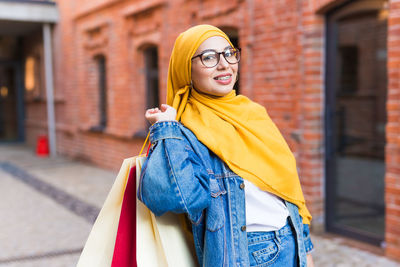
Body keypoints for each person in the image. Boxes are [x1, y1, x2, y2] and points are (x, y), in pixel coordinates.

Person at [137, 25, 314, 267]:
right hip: (244, 255)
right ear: (185, 69)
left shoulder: (253, 114)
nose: (224, 64)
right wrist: (166, 131)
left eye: (229, 53)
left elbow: (287, 192)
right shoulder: (183, 132)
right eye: (208, 57)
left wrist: (305, 249)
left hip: (291, 243)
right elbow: (175, 200)